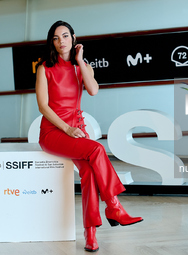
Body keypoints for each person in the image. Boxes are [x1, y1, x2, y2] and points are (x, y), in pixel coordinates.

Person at [35, 20, 143, 252]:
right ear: (51, 43)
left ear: (73, 38)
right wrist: (67, 129)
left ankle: (90, 234)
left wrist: (80, 61)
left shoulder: (81, 67)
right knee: (96, 149)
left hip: (77, 129)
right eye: (55, 38)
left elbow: (93, 90)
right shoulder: (44, 69)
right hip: (54, 132)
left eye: (65, 36)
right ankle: (114, 206)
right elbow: (43, 107)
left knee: (89, 174)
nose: (60, 41)